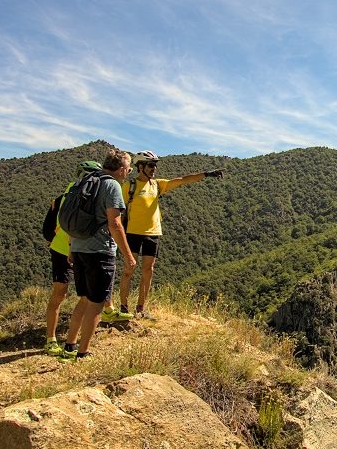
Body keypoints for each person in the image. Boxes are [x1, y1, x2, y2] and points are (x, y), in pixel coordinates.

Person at [117, 150, 223, 320]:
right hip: (132, 233)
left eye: (155, 165)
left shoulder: (157, 185)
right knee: (129, 270)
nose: (154, 168)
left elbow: (181, 180)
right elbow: (119, 212)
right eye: (151, 165)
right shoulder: (129, 187)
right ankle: (123, 308)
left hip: (153, 233)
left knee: (148, 270)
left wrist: (206, 174)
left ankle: (141, 308)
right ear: (141, 167)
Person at [60, 149, 136, 360]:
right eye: (128, 169)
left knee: (84, 299)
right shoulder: (112, 185)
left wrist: (70, 248)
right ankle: (83, 352)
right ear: (121, 169)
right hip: (99, 250)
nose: (128, 172)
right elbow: (115, 223)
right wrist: (129, 256)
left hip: (78, 247)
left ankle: (69, 345)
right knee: (96, 303)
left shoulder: (87, 179)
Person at [43, 160, 103, 355]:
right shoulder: (72, 197)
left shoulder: (66, 196)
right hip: (68, 250)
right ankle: (54, 339)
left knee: (67, 294)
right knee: (67, 294)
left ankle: (62, 339)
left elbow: (47, 229)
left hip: (67, 250)